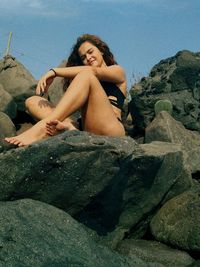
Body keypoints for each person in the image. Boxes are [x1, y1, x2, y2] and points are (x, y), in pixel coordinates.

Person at [5, 33, 127, 147]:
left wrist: (55, 71)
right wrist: (70, 124)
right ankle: (69, 129)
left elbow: (93, 72)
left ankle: (42, 127)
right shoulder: (86, 77)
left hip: (111, 129)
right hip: (87, 128)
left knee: (87, 76)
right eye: (84, 57)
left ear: (101, 50)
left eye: (90, 52)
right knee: (33, 101)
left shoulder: (117, 71)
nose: (88, 58)